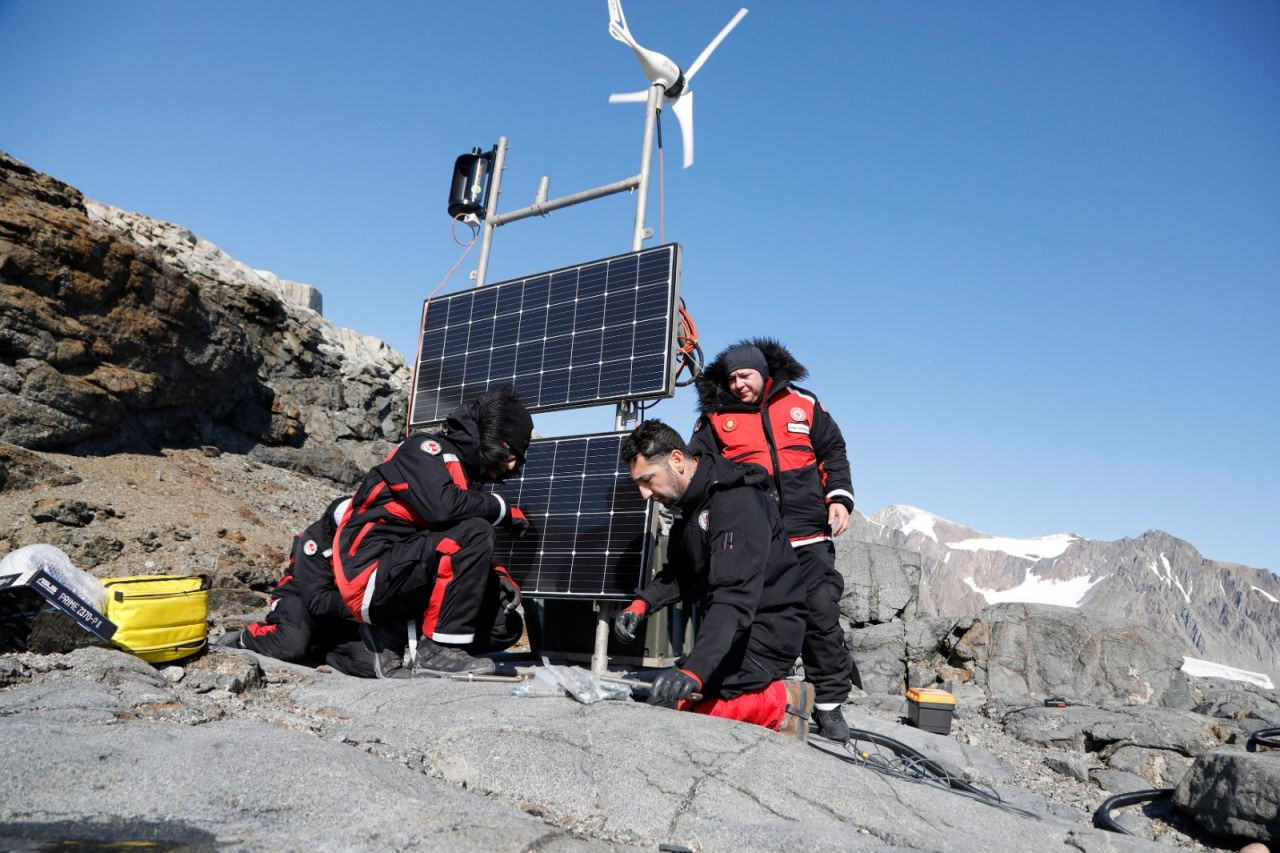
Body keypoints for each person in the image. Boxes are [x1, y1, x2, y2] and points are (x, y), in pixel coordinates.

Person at [688, 339, 856, 742]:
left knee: (821, 612)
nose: (738, 384)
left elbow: (833, 450)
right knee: (746, 616)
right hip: (754, 541)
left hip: (808, 533)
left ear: (763, 372)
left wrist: (840, 498)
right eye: (731, 379)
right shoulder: (715, 419)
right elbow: (698, 469)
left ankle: (829, 705)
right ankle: (752, 691)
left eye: (744, 375)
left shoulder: (804, 404)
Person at [615, 420, 813, 736]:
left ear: (677, 461)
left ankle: (783, 699)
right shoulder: (689, 507)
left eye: (647, 480)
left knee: (679, 711)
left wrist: (695, 670)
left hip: (766, 633)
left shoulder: (737, 501)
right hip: (732, 629)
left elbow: (734, 596)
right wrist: (641, 605)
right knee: (659, 696)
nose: (643, 493)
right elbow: (681, 574)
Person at [328, 385, 535, 677]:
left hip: (405, 573)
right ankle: (437, 649)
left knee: (504, 625)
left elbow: (444, 538)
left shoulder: (465, 475)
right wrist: (500, 509)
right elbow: (442, 509)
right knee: (476, 531)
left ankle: (394, 640)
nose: (512, 464)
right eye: (509, 450)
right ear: (492, 434)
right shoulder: (423, 450)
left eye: (518, 457)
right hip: (369, 576)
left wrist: (497, 573)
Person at [217, 495, 359, 662]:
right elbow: (317, 598)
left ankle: (318, 650)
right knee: (292, 645)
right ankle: (246, 638)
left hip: (339, 608)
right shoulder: (314, 543)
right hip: (299, 600)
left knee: (370, 661)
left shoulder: (375, 540)